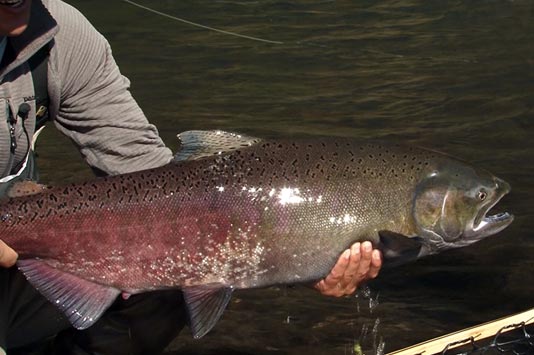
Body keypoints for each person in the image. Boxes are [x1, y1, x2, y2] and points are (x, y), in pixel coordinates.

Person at [0, 0, 383, 354]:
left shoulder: (61, 35)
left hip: (16, 242)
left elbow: (154, 182)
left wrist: (306, 253)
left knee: (175, 275)